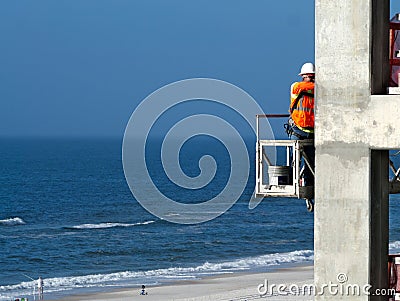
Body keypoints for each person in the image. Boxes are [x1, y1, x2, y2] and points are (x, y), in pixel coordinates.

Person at [285, 62, 315, 186]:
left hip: (310, 131)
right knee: (294, 159)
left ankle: (308, 183)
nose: (312, 79)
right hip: (297, 129)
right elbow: (304, 87)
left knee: (309, 161)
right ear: (303, 76)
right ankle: (291, 181)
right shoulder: (296, 87)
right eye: (310, 76)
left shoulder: (316, 89)